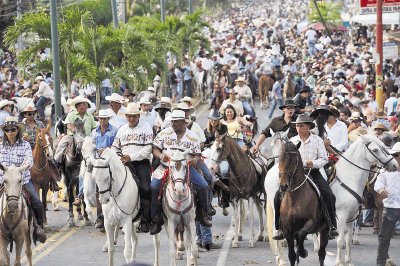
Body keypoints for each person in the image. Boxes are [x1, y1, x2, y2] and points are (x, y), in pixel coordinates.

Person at [273, 114, 339, 240]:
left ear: (308, 127)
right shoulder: (292, 141)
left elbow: (324, 159)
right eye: (297, 126)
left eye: (301, 126)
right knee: (277, 197)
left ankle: (331, 226)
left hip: (313, 172)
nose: (298, 128)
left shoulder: (317, 140)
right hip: (294, 175)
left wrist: (313, 163)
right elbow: (285, 161)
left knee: (328, 194)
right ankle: (279, 228)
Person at [149, 110, 212, 235]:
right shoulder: (164, 133)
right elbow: (154, 149)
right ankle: (155, 218)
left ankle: (203, 213)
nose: (174, 124)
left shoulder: (192, 136)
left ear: (184, 122)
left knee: (203, 186)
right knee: (153, 187)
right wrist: (161, 156)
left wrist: (194, 160)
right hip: (166, 167)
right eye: (173, 121)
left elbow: (197, 155)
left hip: (185, 168)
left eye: (177, 122)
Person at [0, 116, 46, 244]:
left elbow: (29, 161)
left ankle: (38, 228)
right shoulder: (0, 146)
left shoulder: (25, 145)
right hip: (4, 181)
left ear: (17, 130)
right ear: (5, 131)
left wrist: (19, 171)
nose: (10, 132)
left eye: (13, 129)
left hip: (22, 180)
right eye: (7, 129)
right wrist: (6, 175)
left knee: (37, 201)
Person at [73, 109, 118, 231]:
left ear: (108, 119)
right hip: (97, 163)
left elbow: (117, 145)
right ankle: (98, 215)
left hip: (109, 161)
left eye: (105, 118)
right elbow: (90, 146)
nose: (102, 120)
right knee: (84, 171)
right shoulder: (94, 132)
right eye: (101, 118)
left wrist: (107, 149)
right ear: (98, 119)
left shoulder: (114, 131)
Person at [113, 103, 153, 233]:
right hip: (124, 163)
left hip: (141, 163)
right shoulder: (121, 130)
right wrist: (120, 157)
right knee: (112, 184)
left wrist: (131, 156)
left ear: (138, 116)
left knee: (145, 188)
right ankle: (108, 215)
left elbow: (147, 149)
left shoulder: (146, 128)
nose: (131, 119)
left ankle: (146, 219)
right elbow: (115, 147)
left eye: (134, 116)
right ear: (126, 116)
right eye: (129, 116)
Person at [374, 142, 400, 266]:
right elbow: (378, 183)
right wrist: (380, 189)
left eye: (396, 154)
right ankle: (381, 263)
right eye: (393, 155)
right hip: (390, 207)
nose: (394, 157)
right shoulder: (385, 170)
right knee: (384, 237)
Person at [53, 96, 96, 165]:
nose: (86, 107)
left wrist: (93, 136)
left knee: (94, 147)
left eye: (86, 105)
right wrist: (74, 130)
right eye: (84, 105)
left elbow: (94, 127)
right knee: (62, 143)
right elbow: (68, 124)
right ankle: (56, 160)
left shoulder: (90, 115)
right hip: (72, 137)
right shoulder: (71, 114)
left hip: (87, 138)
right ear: (78, 106)